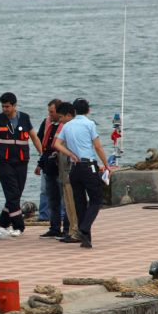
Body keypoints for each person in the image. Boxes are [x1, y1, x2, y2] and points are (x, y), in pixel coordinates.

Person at [54, 98, 110, 248]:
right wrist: (106, 164)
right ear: (88, 110)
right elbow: (97, 147)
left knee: (80, 204)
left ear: (73, 111)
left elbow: (57, 144)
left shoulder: (67, 126)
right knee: (96, 200)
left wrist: (70, 154)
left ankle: (86, 239)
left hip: (75, 168)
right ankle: (84, 229)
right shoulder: (89, 123)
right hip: (88, 166)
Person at [0, 92, 43, 235]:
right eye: (3, 106)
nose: (4, 109)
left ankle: (3, 223)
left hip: (22, 162)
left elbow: (34, 138)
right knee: (12, 194)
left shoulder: (25, 118)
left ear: (14, 105)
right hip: (4, 162)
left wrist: (43, 155)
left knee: (16, 193)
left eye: (7, 106)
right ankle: (19, 226)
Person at [35, 99, 69, 238]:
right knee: (52, 198)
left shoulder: (67, 126)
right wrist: (40, 164)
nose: (50, 114)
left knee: (65, 199)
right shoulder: (47, 122)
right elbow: (44, 146)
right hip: (48, 166)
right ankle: (54, 227)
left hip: (61, 166)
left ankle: (67, 229)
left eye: (52, 112)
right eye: (49, 111)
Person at [55, 102, 81, 244]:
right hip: (64, 172)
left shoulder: (72, 129)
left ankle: (76, 231)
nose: (60, 120)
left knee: (73, 203)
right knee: (68, 203)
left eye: (61, 117)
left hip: (71, 172)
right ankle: (72, 230)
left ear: (69, 115)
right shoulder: (66, 128)